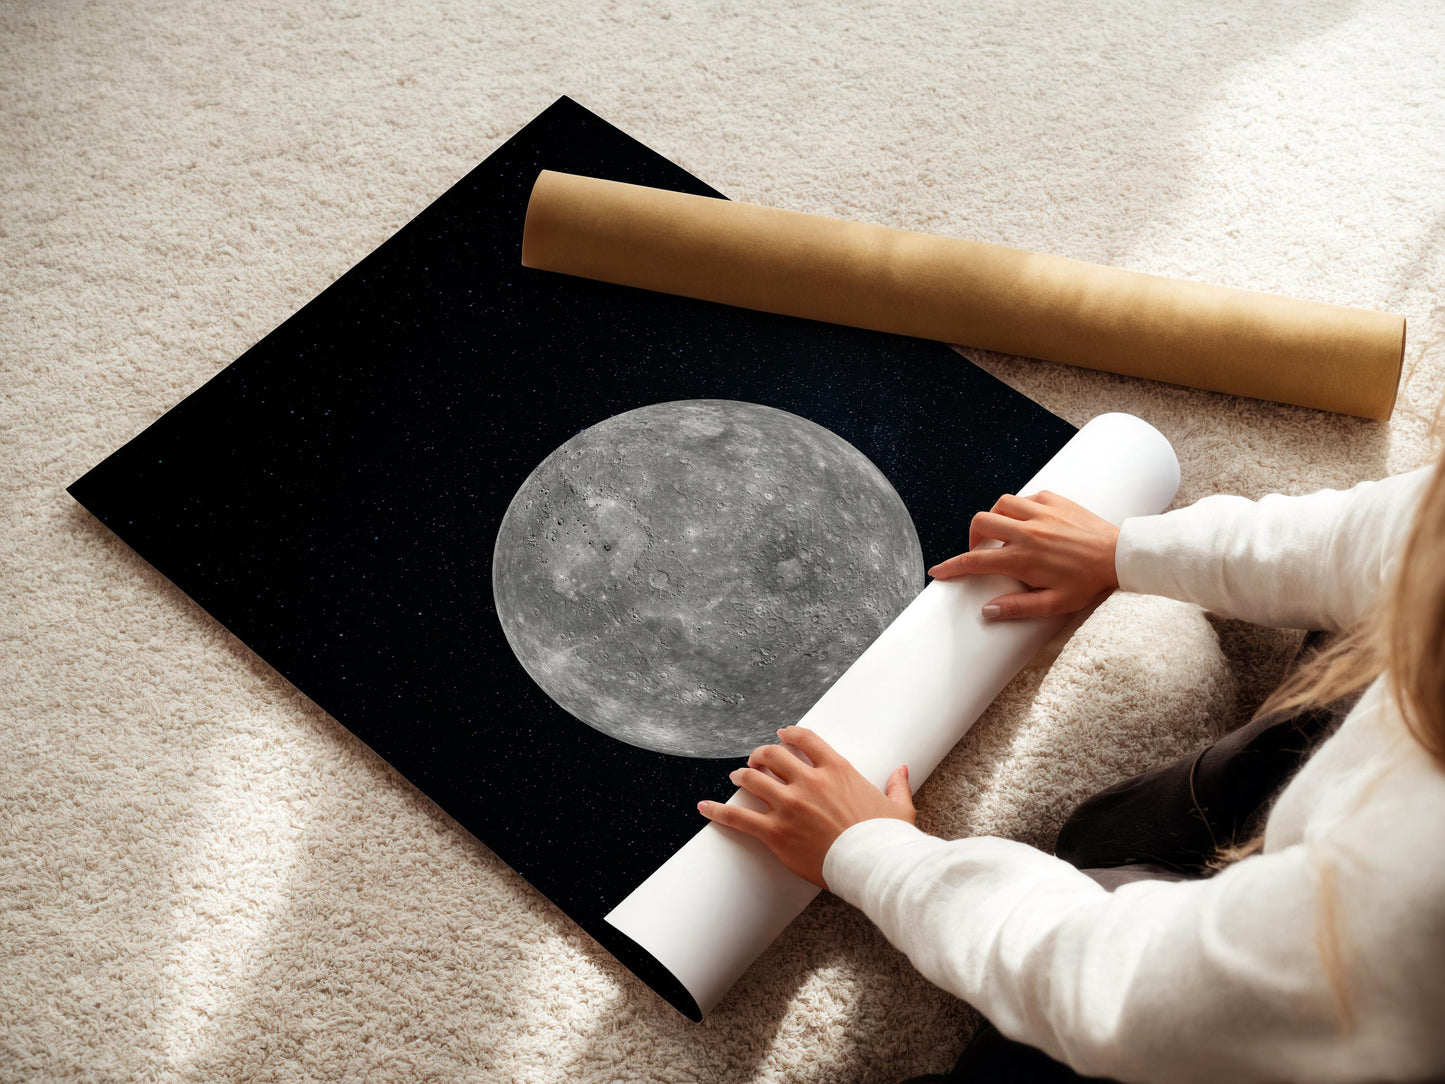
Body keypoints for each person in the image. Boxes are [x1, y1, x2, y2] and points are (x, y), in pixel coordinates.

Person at [696, 458, 1445, 1082]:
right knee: (1111, 834)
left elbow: (1122, 990)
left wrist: (873, 854)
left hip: (1341, 1014)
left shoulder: (1410, 899)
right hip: (1348, 848)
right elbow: (1392, 534)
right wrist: (1124, 550)